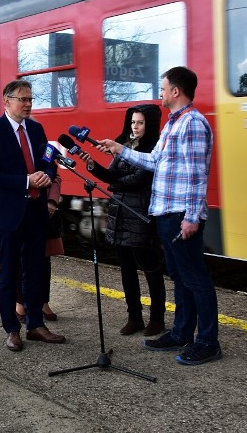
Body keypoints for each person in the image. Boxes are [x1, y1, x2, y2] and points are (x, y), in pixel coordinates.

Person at [97, 66, 219, 365]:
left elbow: (197, 175)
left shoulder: (191, 123)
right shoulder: (172, 123)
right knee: (180, 276)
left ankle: (208, 341)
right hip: (165, 212)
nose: (160, 93)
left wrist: (192, 216)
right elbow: (154, 161)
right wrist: (118, 150)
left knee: (196, 278)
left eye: (163, 88)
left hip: (180, 214)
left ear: (176, 91)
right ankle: (181, 333)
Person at [0, 79, 66, 352]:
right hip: (8, 215)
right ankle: (12, 329)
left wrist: (46, 175)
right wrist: (27, 181)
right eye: (22, 99)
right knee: (10, 273)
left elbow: (49, 162)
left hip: (36, 212)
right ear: (6, 101)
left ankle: (36, 325)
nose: (28, 104)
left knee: (36, 270)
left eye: (30, 99)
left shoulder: (37, 130)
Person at [80, 104, 166, 336]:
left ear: (150, 124)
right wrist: (91, 165)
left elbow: (139, 179)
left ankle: (157, 319)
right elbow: (110, 175)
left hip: (140, 214)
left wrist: (114, 184)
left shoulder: (154, 147)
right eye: (132, 123)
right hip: (120, 213)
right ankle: (134, 317)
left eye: (139, 123)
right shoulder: (126, 145)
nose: (135, 127)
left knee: (150, 268)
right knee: (127, 269)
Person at [15, 171, 62, 324]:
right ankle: (20, 304)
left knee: (44, 258)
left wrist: (52, 201)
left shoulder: (42, 148)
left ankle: (43, 302)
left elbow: (55, 176)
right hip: (20, 207)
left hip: (43, 210)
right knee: (22, 259)